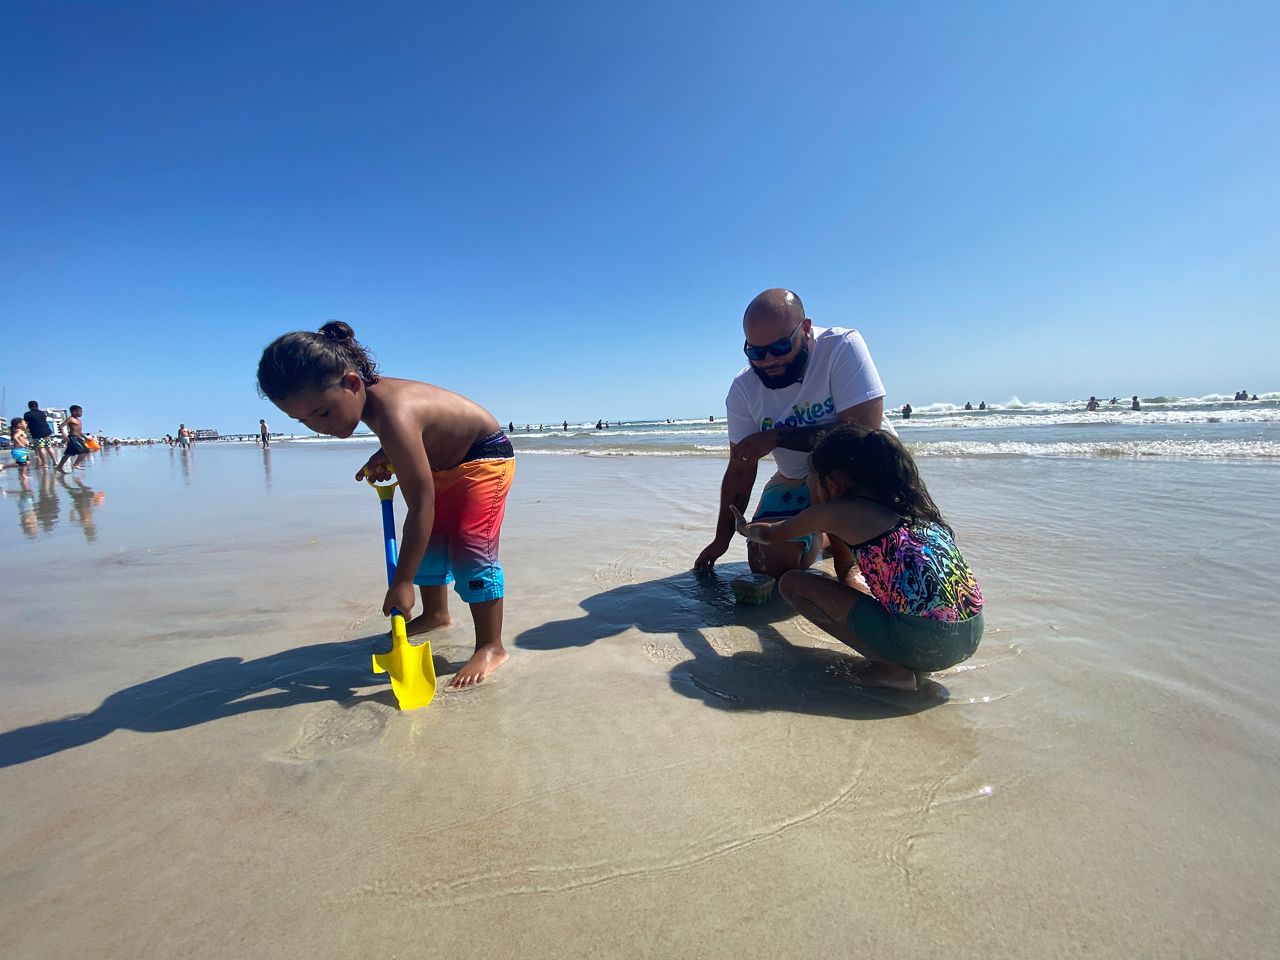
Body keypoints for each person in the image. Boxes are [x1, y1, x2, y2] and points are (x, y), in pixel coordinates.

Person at [257, 320, 515, 688]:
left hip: (483, 458)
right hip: (443, 456)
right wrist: (388, 452)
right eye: (302, 420)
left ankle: (491, 646)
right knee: (430, 541)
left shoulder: (394, 412)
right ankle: (437, 613)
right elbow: (424, 435)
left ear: (351, 383)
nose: (317, 427)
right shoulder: (373, 405)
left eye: (323, 413)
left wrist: (403, 581)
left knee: (469, 547)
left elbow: (421, 504)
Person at [733, 424, 984, 691]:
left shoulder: (837, 511)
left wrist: (743, 527)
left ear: (833, 482)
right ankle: (904, 657)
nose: (808, 483)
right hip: (971, 633)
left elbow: (772, 535)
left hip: (924, 641)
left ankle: (891, 669)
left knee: (792, 583)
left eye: (811, 476)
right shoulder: (912, 508)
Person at [696, 287, 894, 580]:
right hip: (793, 478)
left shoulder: (841, 347)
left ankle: (845, 557)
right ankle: (824, 533)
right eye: (756, 352)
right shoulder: (743, 388)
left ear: (806, 329)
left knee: (830, 468)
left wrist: (776, 437)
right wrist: (721, 540)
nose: (768, 361)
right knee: (767, 561)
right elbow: (741, 467)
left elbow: (863, 434)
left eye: (779, 349)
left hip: (863, 473)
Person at [55, 405, 91, 473]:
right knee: (85, 451)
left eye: (81, 412)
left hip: (79, 438)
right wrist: (64, 435)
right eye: (80, 412)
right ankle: (75, 465)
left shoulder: (79, 421)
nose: (81, 413)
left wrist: (86, 438)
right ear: (74, 412)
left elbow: (80, 431)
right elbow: (61, 426)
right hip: (73, 437)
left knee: (68, 453)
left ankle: (59, 467)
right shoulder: (71, 419)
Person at [22, 401, 56, 470]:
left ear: (29, 407)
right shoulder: (42, 413)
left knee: (41, 448)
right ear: (37, 406)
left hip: (37, 433)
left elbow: (25, 424)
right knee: (49, 447)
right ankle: (55, 462)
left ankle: (44, 464)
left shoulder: (27, 414)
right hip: (47, 432)